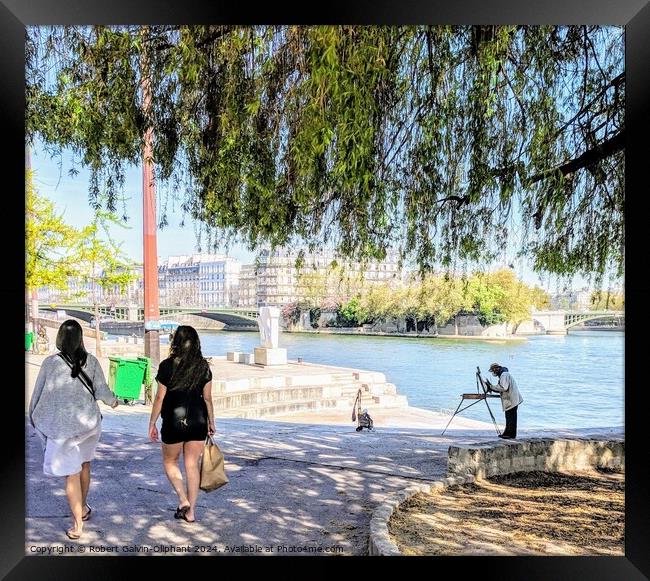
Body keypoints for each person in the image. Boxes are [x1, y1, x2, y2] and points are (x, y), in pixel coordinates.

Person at [28, 319, 119, 540]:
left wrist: (34, 416)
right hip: (88, 425)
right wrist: (113, 401)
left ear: (60, 338)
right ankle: (84, 507)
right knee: (84, 464)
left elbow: (38, 394)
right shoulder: (92, 361)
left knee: (71, 475)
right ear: (80, 338)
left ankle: (77, 524)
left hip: (63, 428)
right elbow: (102, 390)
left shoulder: (50, 363)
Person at [148, 325, 215, 523]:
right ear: (196, 343)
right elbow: (208, 399)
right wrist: (211, 422)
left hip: (173, 421)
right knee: (192, 465)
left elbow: (160, 397)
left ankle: (183, 499)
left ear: (175, 342)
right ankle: (191, 512)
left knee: (170, 461)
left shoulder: (167, 365)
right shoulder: (203, 367)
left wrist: (152, 422)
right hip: (198, 421)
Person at [486, 363, 523, 439]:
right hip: (511, 399)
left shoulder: (504, 375)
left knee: (511, 418)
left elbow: (503, 388)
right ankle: (507, 433)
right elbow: (501, 388)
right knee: (509, 417)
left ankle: (511, 435)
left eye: (493, 371)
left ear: (496, 369)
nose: (493, 373)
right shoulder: (503, 374)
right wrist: (492, 388)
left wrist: (491, 387)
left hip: (512, 399)